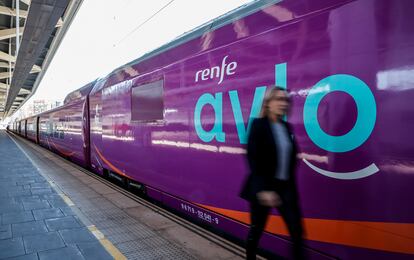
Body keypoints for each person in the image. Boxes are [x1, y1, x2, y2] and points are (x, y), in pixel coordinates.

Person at [240, 86, 304, 259]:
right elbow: (253, 158)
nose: (283, 103)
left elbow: (290, 158)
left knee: (297, 232)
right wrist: (263, 189)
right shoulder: (258, 125)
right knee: (257, 229)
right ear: (268, 104)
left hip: (285, 187)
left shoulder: (286, 127)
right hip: (264, 186)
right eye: (278, 99)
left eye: (285, 100)